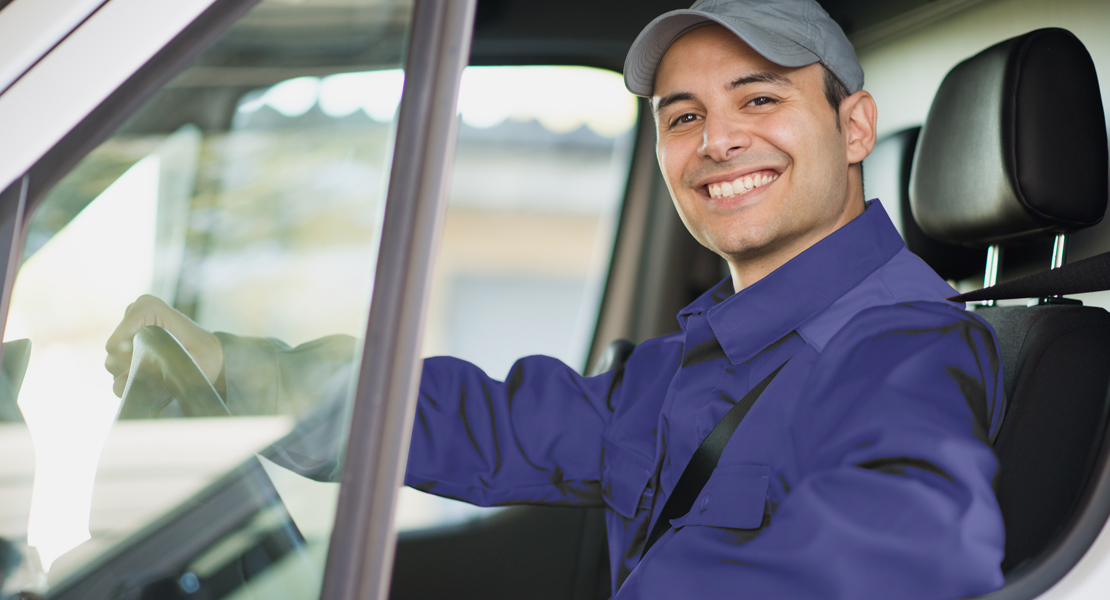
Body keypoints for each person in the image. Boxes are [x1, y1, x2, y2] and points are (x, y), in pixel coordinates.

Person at [105, 0, 1007, 597]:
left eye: (760, 99)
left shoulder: (901, 346)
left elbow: (906, 553)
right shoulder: (707, 360)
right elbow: (498, 425)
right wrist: (246, 371)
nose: (718, 141)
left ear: (854, 128)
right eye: (683, 116)